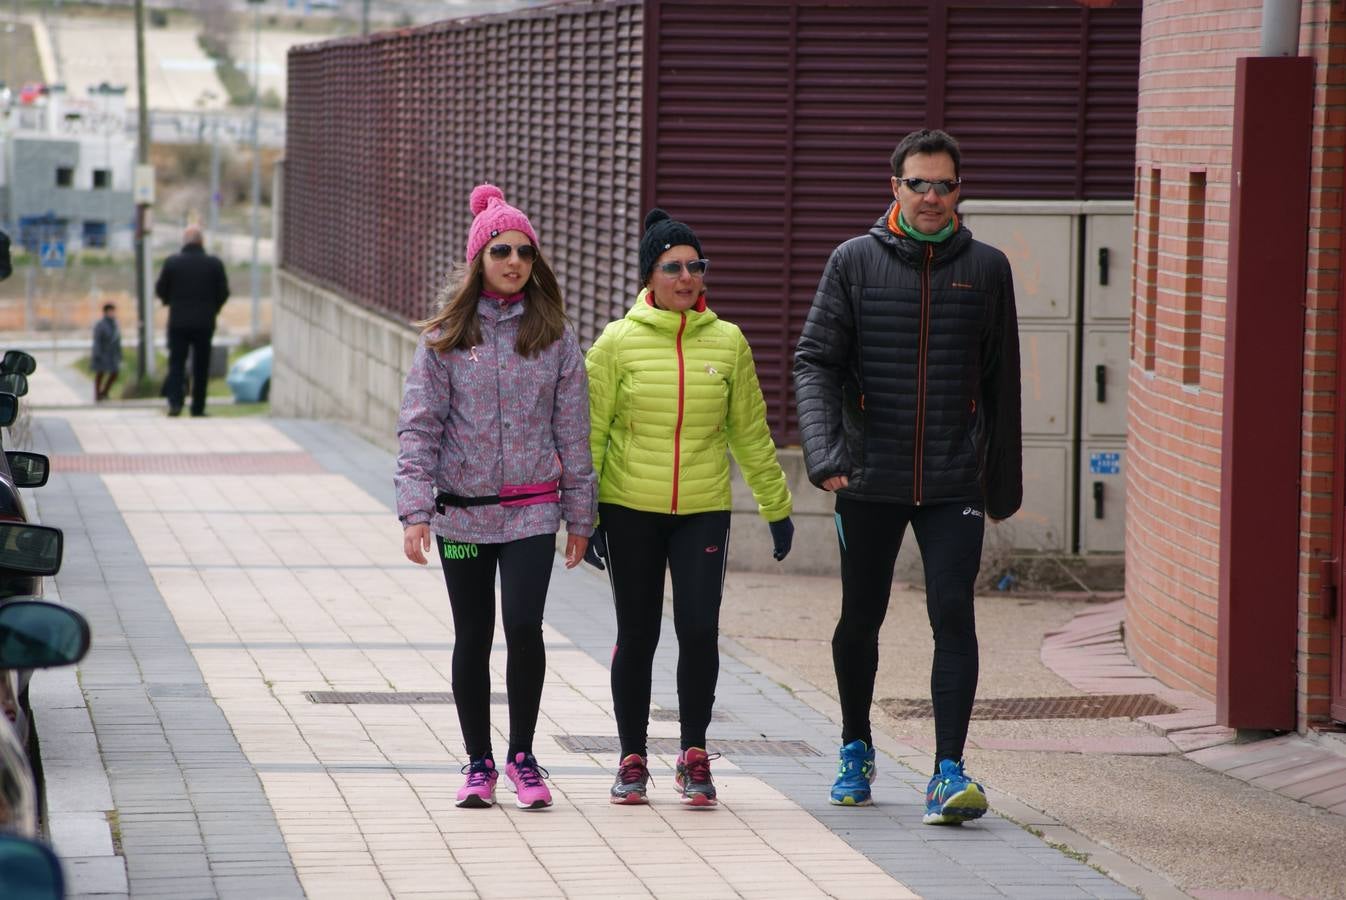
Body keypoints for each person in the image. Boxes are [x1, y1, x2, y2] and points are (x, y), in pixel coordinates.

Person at [793, 128, 1022, 825]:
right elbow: (814, 362)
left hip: (953, 479)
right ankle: (856, 746)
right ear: (893, 187)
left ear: (960, 191)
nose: (931, 196)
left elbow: (1001, 379)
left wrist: (999, 481)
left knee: (953, 612)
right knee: (861, 618)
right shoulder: (853, 262)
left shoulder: (986, 268)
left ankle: (948, 770)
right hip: (868, 476)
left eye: (943, 185)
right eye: (918, 183)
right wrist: (826, 453)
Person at [585, 208, 795, 807]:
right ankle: (631, 757)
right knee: (639, 631)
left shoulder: (727, 343)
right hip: (630, 507)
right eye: (672, 266)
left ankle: (694, 752)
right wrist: (588, 516)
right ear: (649, 276)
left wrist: (776, 507)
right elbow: (591, 433)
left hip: (702, 508)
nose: (686, 276)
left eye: (694, 265)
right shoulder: (616, 342)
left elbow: (751, 433)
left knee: (700, 629)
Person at [396, 184, 596, 811]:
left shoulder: (556, 337)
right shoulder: (444, 337)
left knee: (524, 627)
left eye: (525, 252)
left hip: (533, 512)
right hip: (462, 514)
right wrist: (415, 509)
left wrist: (580, 514)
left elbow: (573, 431)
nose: (514, 261)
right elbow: (419, 425)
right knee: (473, 635)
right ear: (480, 257)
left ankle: (523, 757)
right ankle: (478, 761)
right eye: (501, 250)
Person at [155, 224, 228, 417]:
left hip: (178, 321)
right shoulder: (214, 264)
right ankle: (198, 406)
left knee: (176, 363)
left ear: (184, 242)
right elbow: (223, 292)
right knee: (201, 365)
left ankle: (175, 402)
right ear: (202, 242)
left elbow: (161, 289)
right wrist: (214, 308)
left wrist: (169, 301)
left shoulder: (172, 263)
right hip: (205, 322)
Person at [91, 303, 121, 402]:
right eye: (110, 311)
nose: (112, 313)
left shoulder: (115, 324)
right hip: (102, 354)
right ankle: (97, 395)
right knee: (100, 374)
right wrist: (97, 354)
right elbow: (97, 341)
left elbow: (117, 341)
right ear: (106, 312)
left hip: (112, 355)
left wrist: (119, 355)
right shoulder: (101, 325)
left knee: (115, 373)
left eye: (113, 311)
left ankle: (104, 392)